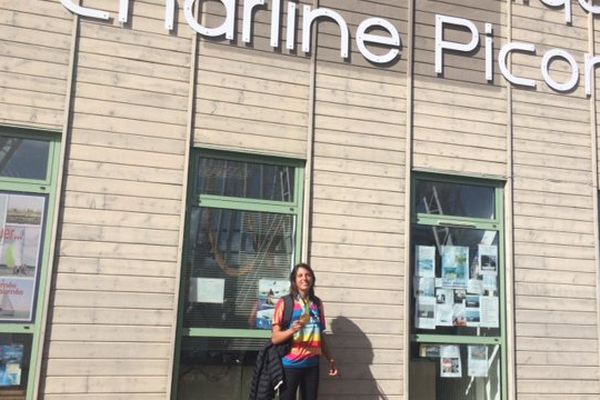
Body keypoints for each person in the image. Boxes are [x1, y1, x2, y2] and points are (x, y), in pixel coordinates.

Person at [271, 263, 338, 400]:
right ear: (294, 280)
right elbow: (275, 338)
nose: (304, 278)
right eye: (300, 275)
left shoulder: (317, 304)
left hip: (312, 365)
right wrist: (292, 330)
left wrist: (330, 358)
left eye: (308, 275)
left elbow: (319, 336)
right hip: (290, 365)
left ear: (312, 279)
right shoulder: (285, 302)